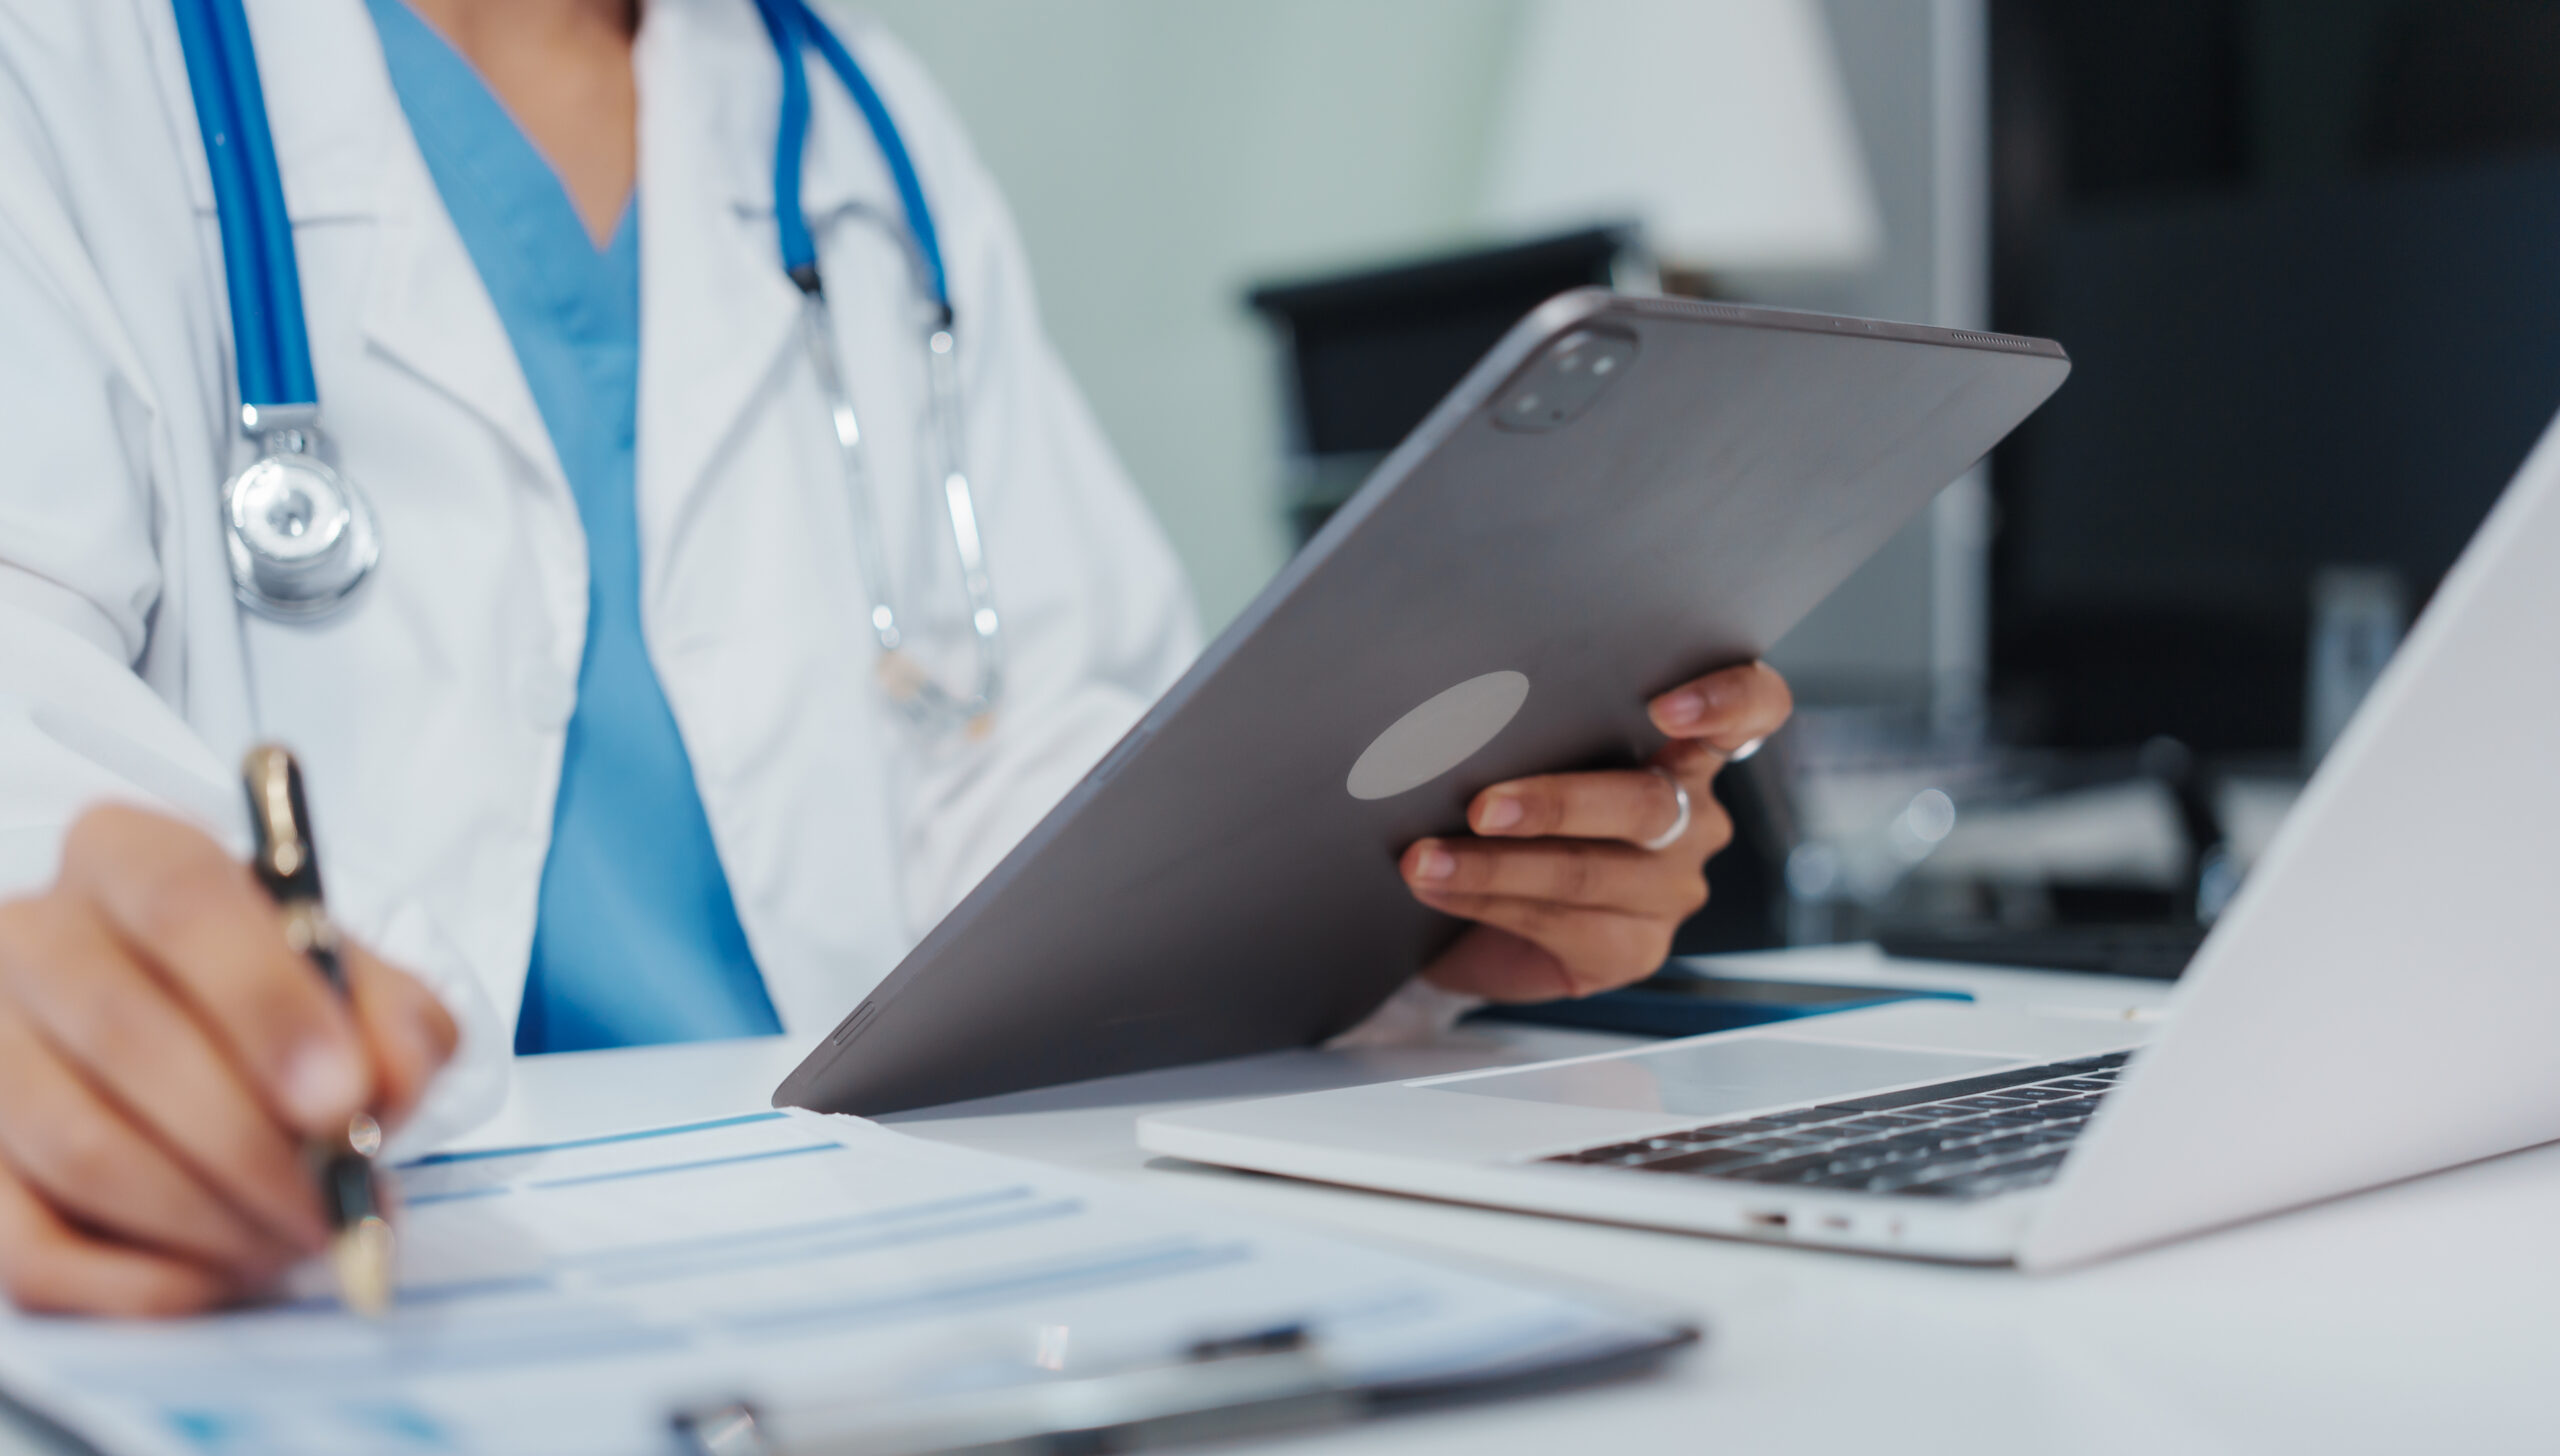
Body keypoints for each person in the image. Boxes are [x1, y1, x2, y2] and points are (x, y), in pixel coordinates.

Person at [0, 0, 1793, 1316]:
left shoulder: (854, 124)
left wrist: (1405, 895)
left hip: (886, 1275)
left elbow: (1035, 760)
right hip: (341, 1298)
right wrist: (91, 1011)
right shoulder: (75, 68)